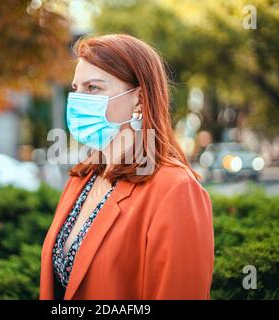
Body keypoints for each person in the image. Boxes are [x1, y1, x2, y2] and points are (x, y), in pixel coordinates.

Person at [39, 34, 214, 300]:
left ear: (140, 99)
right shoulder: (83, 177)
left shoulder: (175, 189)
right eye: (76, 89)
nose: (77, 100)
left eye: (93, 88)